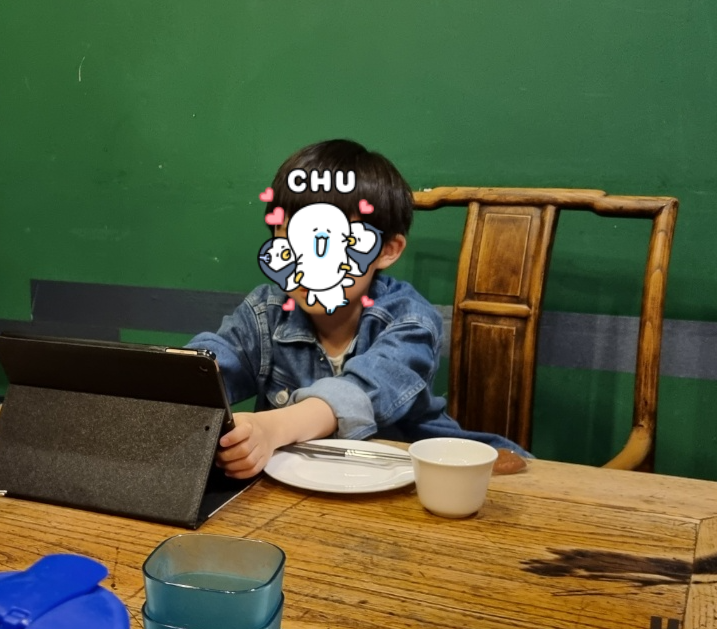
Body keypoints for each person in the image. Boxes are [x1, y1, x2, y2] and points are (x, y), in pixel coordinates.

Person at [190, 138, 528, 479]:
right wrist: (180, 380)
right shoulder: (266, 311)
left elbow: (359, 393)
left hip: (419, 478)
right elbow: (204, 369)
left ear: (386, 250)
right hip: (302, 489)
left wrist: (271, 428)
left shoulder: (410, 319)